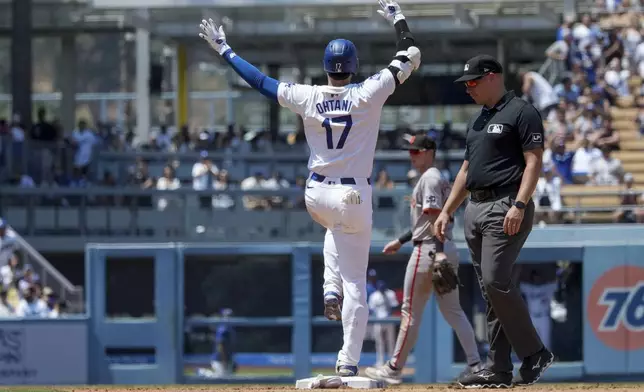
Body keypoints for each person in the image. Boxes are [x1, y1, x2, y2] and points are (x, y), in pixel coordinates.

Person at [198, 0, 421, 376]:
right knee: (357, 282)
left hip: (316, 194)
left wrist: (225, 49)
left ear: (325, 67)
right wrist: (398, 18)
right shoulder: (369, 91)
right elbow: (410, 54)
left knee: (335, 229)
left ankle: (328, 289)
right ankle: (348, 362)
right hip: (353, 195)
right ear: (353, 66)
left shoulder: (308, 96)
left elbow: (260, 81)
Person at [434, 55, 554, 388]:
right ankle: (498, 368)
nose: (468, 88)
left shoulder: (522, 112)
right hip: (474, 206)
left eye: (472, 82)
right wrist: (447, 210)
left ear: (492, 77)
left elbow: (534, 163)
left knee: (494, 279)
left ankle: (534, 352)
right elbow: (465, 171)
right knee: (491, 290)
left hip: (506, 203)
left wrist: (520, 203)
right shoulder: (477, 121)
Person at [364, 133, 482, 385]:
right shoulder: (435, 177)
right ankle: (476, 364)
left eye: (417, 151)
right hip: (441, 246)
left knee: (409, 311)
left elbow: (435, 217)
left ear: (429, 152)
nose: (412, 155)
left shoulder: (430, 177)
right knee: (454, 312)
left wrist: (437, 251)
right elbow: (428, 219)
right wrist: (402, 240)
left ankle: (394, 368)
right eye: (410, 151)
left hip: (430, 249)